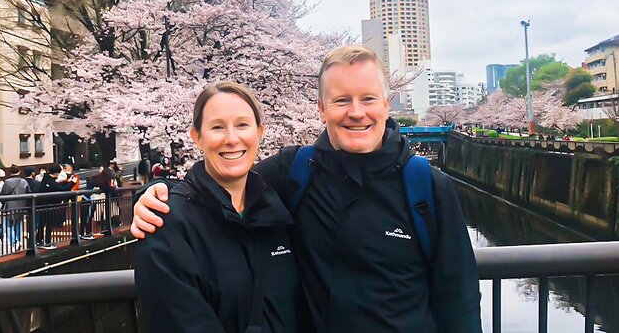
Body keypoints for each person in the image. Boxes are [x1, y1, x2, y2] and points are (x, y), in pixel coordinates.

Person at [132, 46, 482, 332]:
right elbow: (224, 180)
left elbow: (460, 302)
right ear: (321, 108)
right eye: (342, 100)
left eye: (368, 99)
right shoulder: (296, 171)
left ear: (387, 104)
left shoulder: (427, 187)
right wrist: (157, 189)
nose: (356, 113)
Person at [135, 81, 302, 333]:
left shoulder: (276, 213)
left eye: (243, 125)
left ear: (260, 132)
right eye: (217, 127)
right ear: (197, 137)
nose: (232, 139)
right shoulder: (167, 222)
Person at [39, 164, 75, 249]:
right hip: (49, 205)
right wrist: (72, 183)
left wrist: (67, 182)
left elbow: (57, 186)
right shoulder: (50, 182)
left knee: (43, 224)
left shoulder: (46, 179)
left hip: (43, 205)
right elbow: (62, 189)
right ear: (56, 173)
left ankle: (39, 241)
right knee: (48, 224)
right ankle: (47, 242)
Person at [1, 165, 31, 250]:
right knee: (19, 223)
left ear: (10, 172)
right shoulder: (24, 181)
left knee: (8, 225)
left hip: (10, 205)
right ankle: (19, 240)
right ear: (19, 171)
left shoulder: (7, 182)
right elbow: (28, 192)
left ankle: (15, 241)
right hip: (22, 205)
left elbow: (3, 194)